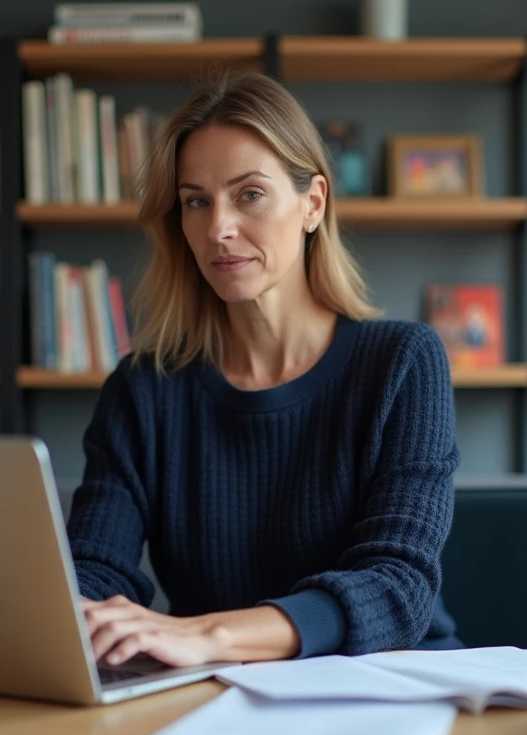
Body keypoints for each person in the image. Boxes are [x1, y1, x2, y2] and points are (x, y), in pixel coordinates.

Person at [68, 71, 463, 670]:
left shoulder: (401, 364)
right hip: (212, 695)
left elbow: (397, 587)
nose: (217, 228)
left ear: (313, 203)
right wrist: (69, 616)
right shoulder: (144, 388)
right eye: (196, 201)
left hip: (392, 685)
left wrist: (209, 636)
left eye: (248, 194)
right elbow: (95, 570)